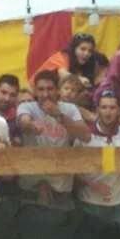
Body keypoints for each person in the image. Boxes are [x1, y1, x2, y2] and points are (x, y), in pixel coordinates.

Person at [17, 69, 90, 207]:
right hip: (31, 185)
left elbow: (85, 136)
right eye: (41, 89)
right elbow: (23, 122)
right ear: (35, 91)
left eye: (50, 89)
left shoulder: (70, 109)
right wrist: (31, 125)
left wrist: (59, 115)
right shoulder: (26, 106)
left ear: (57, 90)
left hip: (61, 186)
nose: (45, 94)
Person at [75, 89, 120, 224]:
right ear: (97, 110)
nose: (108, 112)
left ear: (119, 110)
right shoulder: (85, 134)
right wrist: (92, 185)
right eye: (104, 107)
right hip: (90, 203)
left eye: (112, 107)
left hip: (118, 206)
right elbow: (73, 169)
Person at [29, 33, 96, 87]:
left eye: (90, 51)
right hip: (32, 92)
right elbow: (64, 75)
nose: (86, 53)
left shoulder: (81, 64)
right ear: (73, 48)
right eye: (83, 49)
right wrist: (80, 79)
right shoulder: (61, 56)